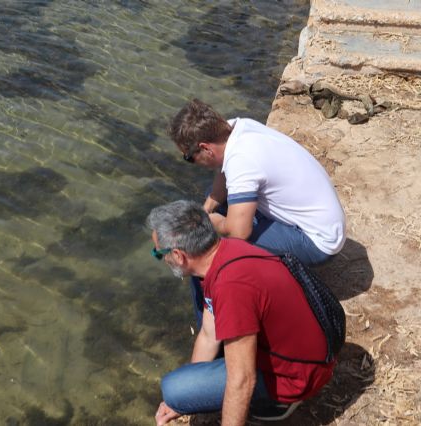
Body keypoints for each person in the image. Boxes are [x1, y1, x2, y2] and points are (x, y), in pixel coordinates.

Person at [146, 200, 335, 426]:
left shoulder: (230, 287)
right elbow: (208, 334)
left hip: (299, 376)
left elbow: (242, 379)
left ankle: (277, 402)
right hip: (311, 352)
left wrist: (184, 394)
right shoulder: (225, 252)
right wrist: (192, 391)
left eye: (159, 254)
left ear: (178, 255)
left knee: (173, 389)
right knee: (181, 391)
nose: (161, 260)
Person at [168, 99, 346, 327]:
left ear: (205, 148)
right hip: (323, 221)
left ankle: (212, 325)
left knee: (206, 247)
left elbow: (239, 232)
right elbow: (223, 179)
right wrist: (205, 210)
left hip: (319, 242)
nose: (191, 162)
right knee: (215, 204)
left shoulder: (242, 161)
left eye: (188, 158)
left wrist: (211, 223)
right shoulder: (237, 129)